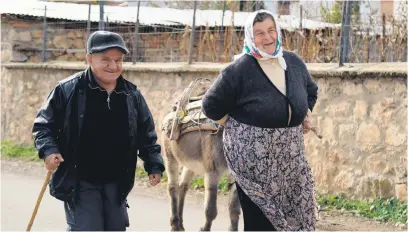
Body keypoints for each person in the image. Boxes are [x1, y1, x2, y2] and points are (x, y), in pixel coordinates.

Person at [32, 31, 165, 231]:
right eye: (105, 60)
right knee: (87, 228)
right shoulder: (68, 90)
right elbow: (43, 125)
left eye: (118, 60)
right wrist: (49, 150)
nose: (113, 66)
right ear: (89, 59)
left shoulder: (131, 94)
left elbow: (146, 133)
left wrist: (154, 164)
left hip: (116, 180)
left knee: (116, 228)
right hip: (80, 179)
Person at [202, 10, 318, 231]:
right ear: (250, 37)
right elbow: (210, 105)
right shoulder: (239, 70)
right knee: (261, 223)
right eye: (259, 33)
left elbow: (311, 91)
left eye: (271, 30)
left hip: (290, 161)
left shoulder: (292, 62)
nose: (267, 38)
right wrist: (233, 125)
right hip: (253, 165)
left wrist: (305, 111)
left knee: (297, 217)